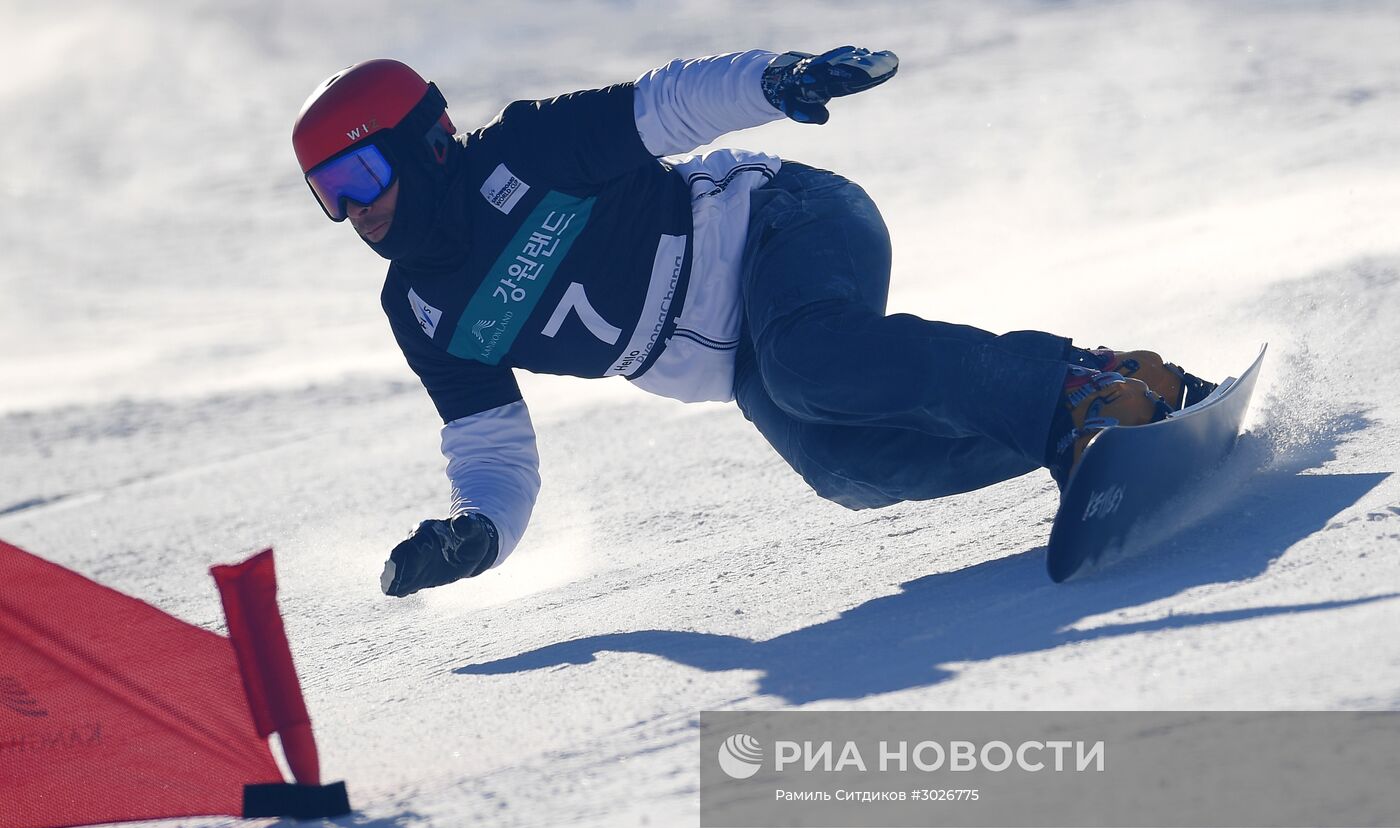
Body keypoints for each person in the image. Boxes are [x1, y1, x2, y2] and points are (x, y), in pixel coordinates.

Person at [291, 48, 1215, 597]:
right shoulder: (421, 309)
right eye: (328, 196)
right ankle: (1112, 415)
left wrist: (776, 80)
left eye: (362, 178)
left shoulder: (527, 151)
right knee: (845, 467)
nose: (354, 214)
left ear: (428, 145)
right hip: (740, 358)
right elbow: (492, 451)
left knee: (815, 363)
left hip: (782, 221)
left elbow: (667, 103)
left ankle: (1078, 386)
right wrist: (475, 533)